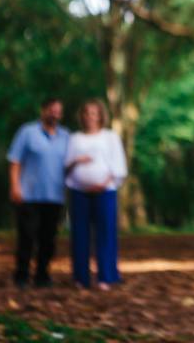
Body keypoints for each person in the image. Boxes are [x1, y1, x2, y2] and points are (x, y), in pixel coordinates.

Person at [64, 99, 127, 290]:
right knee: (79, 234)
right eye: (86, 113)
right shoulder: (75, 138)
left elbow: (118, 164)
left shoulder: (110, 137)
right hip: (79, 192)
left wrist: (104, 183)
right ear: (81, 116)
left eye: (94, 113)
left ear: (100, 115)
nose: (90, 117)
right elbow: (65, 166)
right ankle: (80, 277)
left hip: (105, 191)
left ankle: (106, 276)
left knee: (106, 234)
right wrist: (77, 161)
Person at [7, 97, 69, 288]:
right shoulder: (27, 132)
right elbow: (15, 161)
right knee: (27, 236)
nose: (55, 114)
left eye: (58, 111)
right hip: (29, 195)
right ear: (43, 110)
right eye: (52, 110)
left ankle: (43, 275)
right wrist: (15, 186)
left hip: (55, 196)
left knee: (48, 239)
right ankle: (22, 275)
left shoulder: (67, 136)